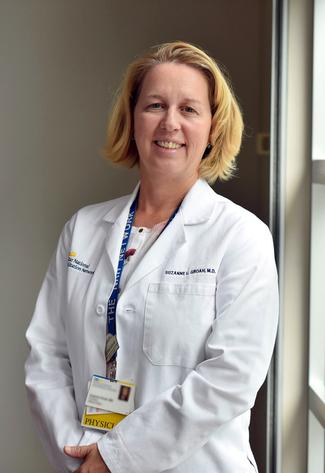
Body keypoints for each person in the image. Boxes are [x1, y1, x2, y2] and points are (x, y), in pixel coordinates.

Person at [25, 41, 279, 473]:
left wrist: (116, 458)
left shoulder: (241, 237)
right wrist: (81, 458)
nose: (170, 123)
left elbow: (230, 378)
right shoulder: (83, 229)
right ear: (132, 119)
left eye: (190, 109)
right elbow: (46, 354)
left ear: (213, 129)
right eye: (155, 105)